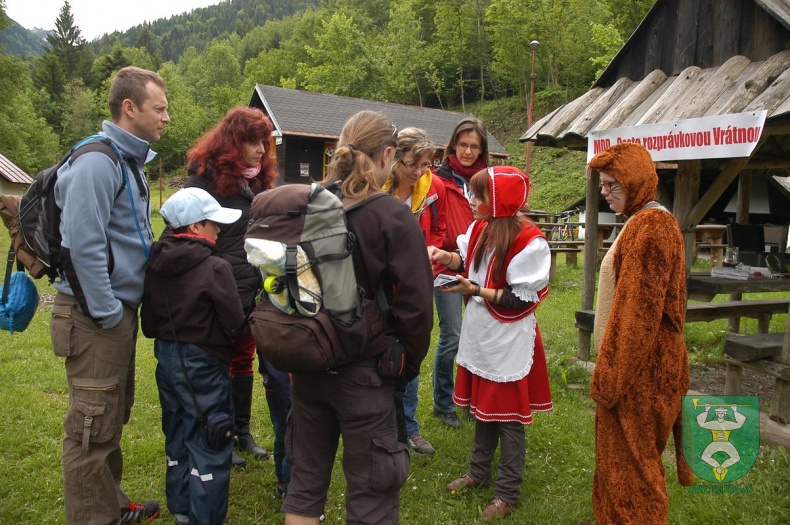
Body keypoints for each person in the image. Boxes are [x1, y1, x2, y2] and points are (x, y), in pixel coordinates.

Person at [282, 111, 434, 525]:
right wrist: (404, 365)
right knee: (372, 496)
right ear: (388, 154)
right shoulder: (391, 214)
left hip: (310, 364)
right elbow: (418, 308)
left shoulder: (307, 203)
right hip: (368, 372)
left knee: (305, 484)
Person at [50, 66, 169, 524]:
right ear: (130, 107)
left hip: (114, 313)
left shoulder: (127, 162)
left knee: (108, 418)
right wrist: (106, 313)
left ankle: (110, 507)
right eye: (159, 108)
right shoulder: (98, 162)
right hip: (95, 315)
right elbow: (82, 245)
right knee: (90, 427)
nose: (166, 117)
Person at [428, 166, 553, 522]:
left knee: (509, 419)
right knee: (484, 410)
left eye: (479, 195)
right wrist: (443, 256)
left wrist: (474, 290)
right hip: (483, 333)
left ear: (498, 201)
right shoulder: (481, 227)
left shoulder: (530, 241)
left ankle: (507, 493)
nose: (472, 200)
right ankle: (478, 473)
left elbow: (521, 299)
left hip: (508, 338)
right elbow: (467, 261)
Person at [586, 142, 692, 524]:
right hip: (636, 371)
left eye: (613, 184)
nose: (605, 192)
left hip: (641, 375)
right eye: (602, 185)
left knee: (635, 473)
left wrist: (612, 378)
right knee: (617, 465)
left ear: (637, 181)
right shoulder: (643, 221)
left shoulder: (651, 228)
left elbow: (638, 318)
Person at [141, 187, 246, 525]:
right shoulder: (215, 266)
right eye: (213, 222)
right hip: (204, 362)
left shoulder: (155, 262)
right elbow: (235, 324)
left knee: (177, 430)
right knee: (212, 438)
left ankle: (182, 509)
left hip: (167, 356)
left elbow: (148, 321)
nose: (220, 228)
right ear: (196, 227)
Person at [184, 106, 278, 468]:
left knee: (243, 360)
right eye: (252, 142)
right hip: (218, 289)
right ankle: (216, 434)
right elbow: (193, 238)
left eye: (263, 143)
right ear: (232, 143)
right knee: (217, 362)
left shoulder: (258, 180)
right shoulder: (204, 179)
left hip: (252, 286)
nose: (260, 150)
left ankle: (241, 432)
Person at [383, 127, 446, 456]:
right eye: (413, 164)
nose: (420, 171)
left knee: (411, 353)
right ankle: (379, 427)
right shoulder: (377, 186)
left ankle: (408, 428)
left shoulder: (433, 186)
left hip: (416, 284)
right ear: (393, 157)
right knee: (379, 353)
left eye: (426, 164)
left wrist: (431, 252)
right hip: (381, 284)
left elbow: (440, 227)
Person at [431, 116, 489, 428]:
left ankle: (469, 399)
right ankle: (443, 402)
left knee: (476, 334)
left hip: (481, 265)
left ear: (482, 151)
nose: (467, 151)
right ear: (454, 145)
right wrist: (447, 249)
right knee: (452, 334)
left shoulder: (487, 181)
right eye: (463, 145)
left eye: (474, 147)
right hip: (446, 265)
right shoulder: (439, 180)